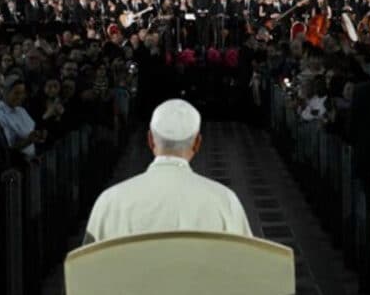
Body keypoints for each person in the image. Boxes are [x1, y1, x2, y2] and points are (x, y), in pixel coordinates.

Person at [84, 99, 252, 244]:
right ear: (197, 143)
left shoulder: (109, 201)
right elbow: (247, 267)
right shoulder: (224, 200)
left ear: (150, 140)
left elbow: (86, 271)